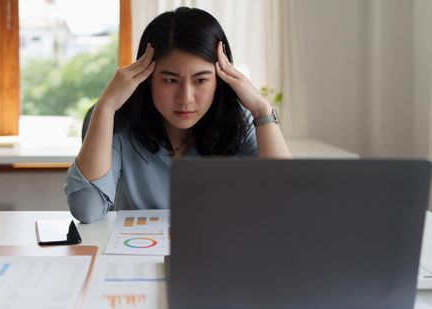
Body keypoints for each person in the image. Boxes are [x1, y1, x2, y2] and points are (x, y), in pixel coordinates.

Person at [65, 7, 291, 223]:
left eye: (201, 80)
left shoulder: (240, 120)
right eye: (170, 80)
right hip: (136, 256)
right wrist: (105, 106)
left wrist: (262, 110)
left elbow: (286, 202)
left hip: (220, 255)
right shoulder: (115, 118)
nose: (186, 98)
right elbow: (87, 209)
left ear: (221, 78)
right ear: (147, 77)